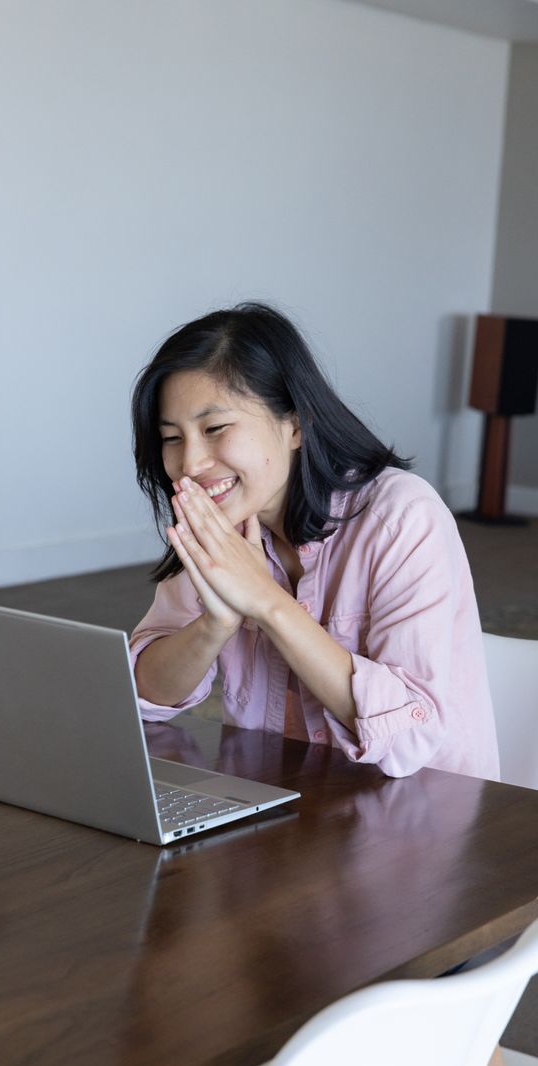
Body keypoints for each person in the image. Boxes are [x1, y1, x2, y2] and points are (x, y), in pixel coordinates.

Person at [129, 301, 500, 782]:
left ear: (295, 425)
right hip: (290, 806)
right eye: (172, 438)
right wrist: (214, 625)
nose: (191, 463)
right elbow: (146, 697)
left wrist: (266, 602)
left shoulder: (401, 518)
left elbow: (410, 738)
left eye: (215, 428)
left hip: (421, 813)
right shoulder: (217, 526)